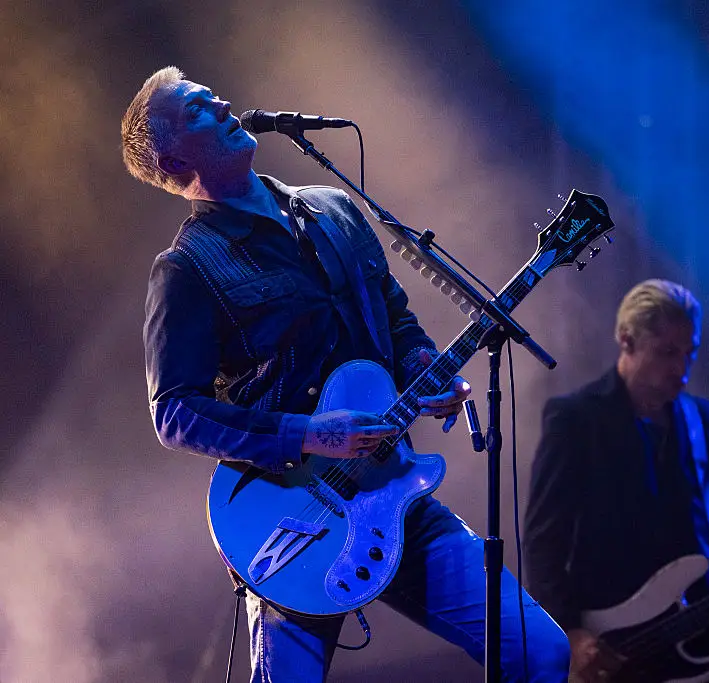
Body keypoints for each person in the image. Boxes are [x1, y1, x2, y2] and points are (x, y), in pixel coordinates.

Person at [122, 66, 569, 682]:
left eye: (212, 94)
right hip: (292, 520)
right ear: (173, 164)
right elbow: (175, 413)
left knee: (540, 651)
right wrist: (310, 435)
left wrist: (419, 363)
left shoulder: (332, 208)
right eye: (197, 108)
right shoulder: (187, 269)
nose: (221, 102)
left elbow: (393, 313)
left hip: (394, 494)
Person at [524, 280, 709, 682]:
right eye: (668, 352)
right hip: (615, 640)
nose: (682, 369)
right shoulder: (575, 418)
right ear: (627, 341)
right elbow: (543, 539)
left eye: (690, 353)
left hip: (703, 624)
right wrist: (570, 632)